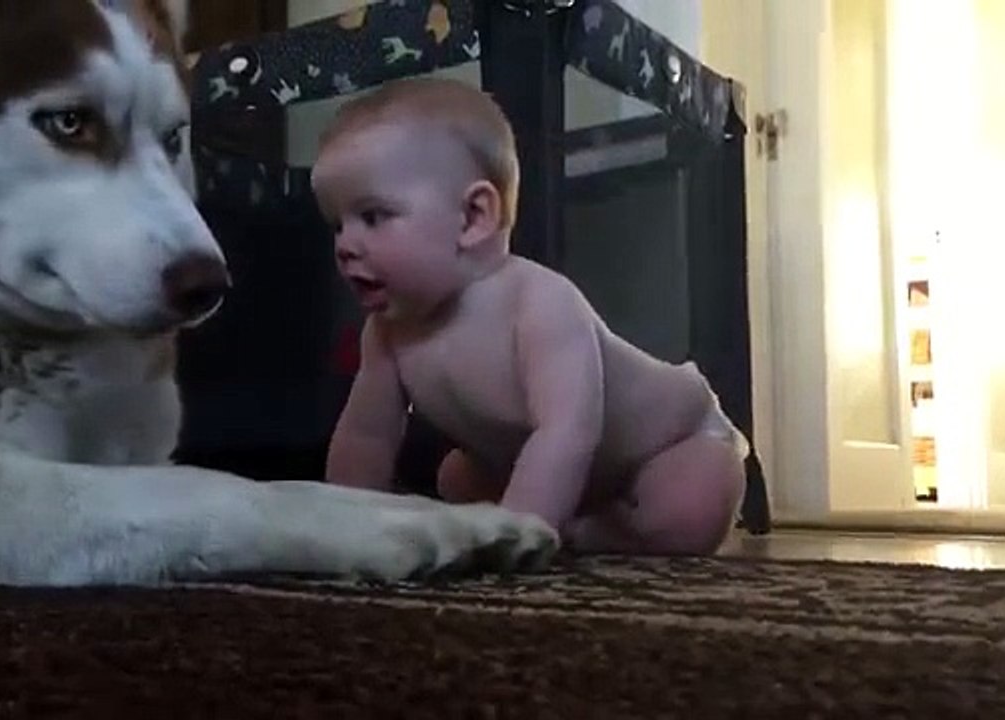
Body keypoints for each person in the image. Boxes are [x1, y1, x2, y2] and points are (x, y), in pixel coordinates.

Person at [310, 76, 748, 555]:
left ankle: (588, 532)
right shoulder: (389, 331)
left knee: (690, 512)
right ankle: (571, 522)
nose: (345, 246)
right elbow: (367, 434)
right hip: (542, 465)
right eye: (337, 224)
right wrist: (343, 520)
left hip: (667, 445)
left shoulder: (539, 304)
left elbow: (570, 430)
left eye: (372, 217)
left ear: (472, 217)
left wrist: (511, 535)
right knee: (455, 478)